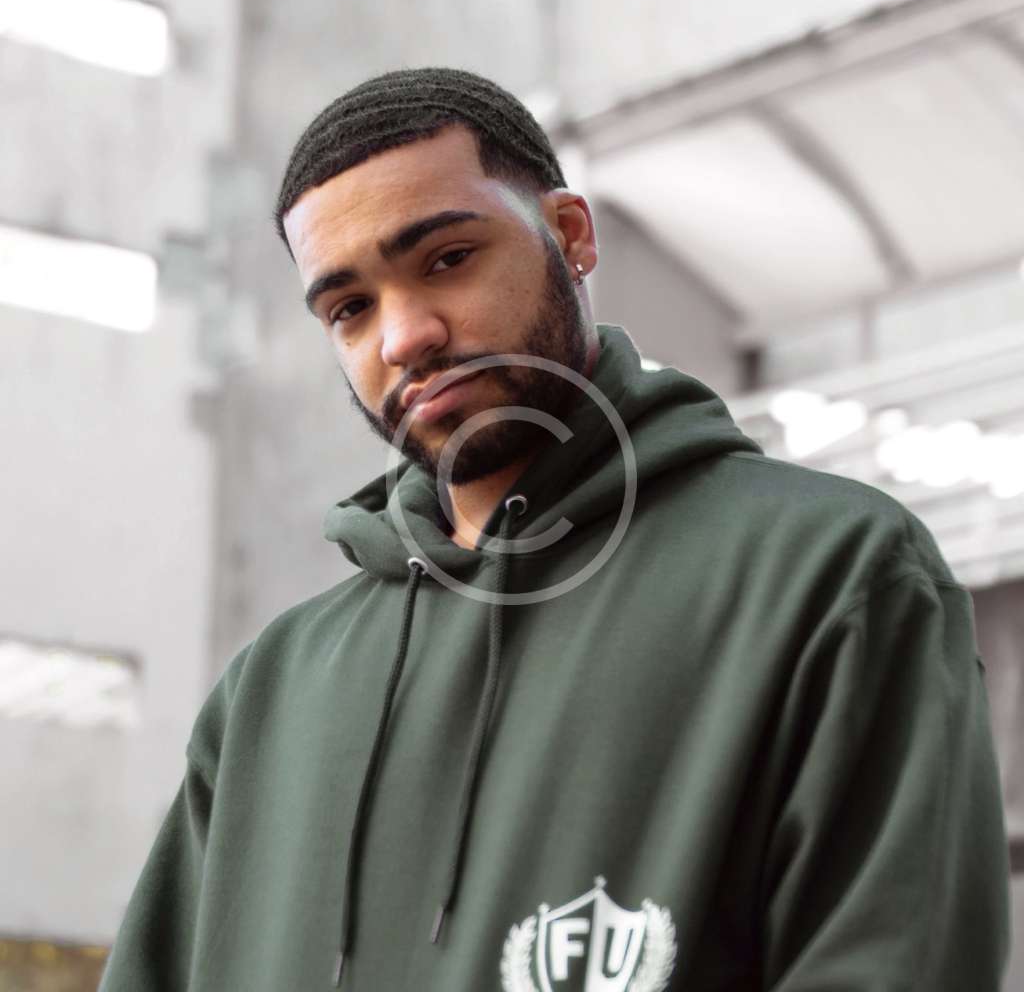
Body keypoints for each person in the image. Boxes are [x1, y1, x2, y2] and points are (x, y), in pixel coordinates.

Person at [98, 67, 1011, 991]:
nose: (404, 337)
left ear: (570, 235)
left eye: (447, 258)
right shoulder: (267, 696)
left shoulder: (829, 577)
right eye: (350, 308)